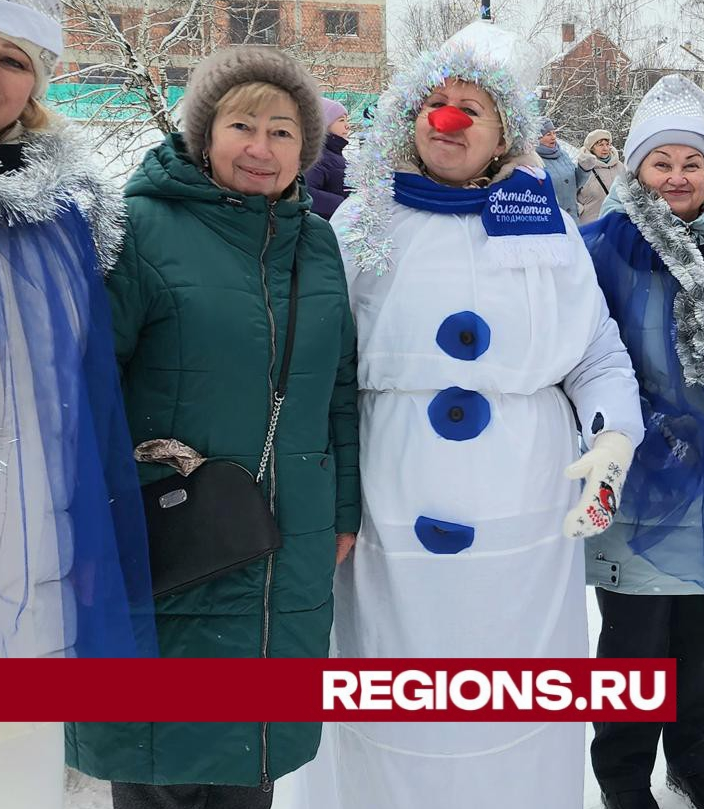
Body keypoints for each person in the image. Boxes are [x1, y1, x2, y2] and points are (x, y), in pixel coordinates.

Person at [292, 21, 644, 809]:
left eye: (470, 108)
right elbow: (314, 367)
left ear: (502, 136)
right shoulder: (360, 222)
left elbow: (595, 354)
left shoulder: (545, 226)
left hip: (522, 526)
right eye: (436, 102)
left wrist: (613, 436)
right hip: (385, 520)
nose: (447, 117)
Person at [65, 45, 361, 809]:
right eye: (241, 125)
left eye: (283, 131)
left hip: (285, 538)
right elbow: (86, 387)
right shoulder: (138, 229)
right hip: (166, 533)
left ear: (307, 148)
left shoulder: (316, 244)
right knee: (158, 751)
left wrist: (343, 509)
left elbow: (337, 390)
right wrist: (101, 510)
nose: (261, 148)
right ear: (204, 133)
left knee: (250, 753)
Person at [582, 74, 704, 809]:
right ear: (635, 170)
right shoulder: (601, 246)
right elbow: (582, 354)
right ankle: (624, 774)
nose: (677, 177)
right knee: (633, 642)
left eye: (692, 163)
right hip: (641, 475)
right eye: (660, 163)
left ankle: (695, 758)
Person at [0, 1, 156, 805]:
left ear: (34, 82)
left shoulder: (70, 210)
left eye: (11, 60)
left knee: (25, 728)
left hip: (32, 504)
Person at [304, 96, 350, 219]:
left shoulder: (333, 153)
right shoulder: (317, 156)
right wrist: (345, 205)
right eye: (341, 120)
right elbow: (306, 193)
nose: (347, 126)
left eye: (347, 120)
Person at [537, 116, 587, 219]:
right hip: (552, 220)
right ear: (538, 137)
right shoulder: (533, 160)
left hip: (573, 219)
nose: (553, 137)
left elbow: (576, 183)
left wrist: (585, 168)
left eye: (554, 132)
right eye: (548, 134)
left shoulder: (563, 154)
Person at [577, 128, 623, 224]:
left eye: (607, 144)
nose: (605, 148)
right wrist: (580, 210)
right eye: (600, 145)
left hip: (616, 223)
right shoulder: (583, 167)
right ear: (592, 148)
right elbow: (570, 192)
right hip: (590, 224)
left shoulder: (619, 166)